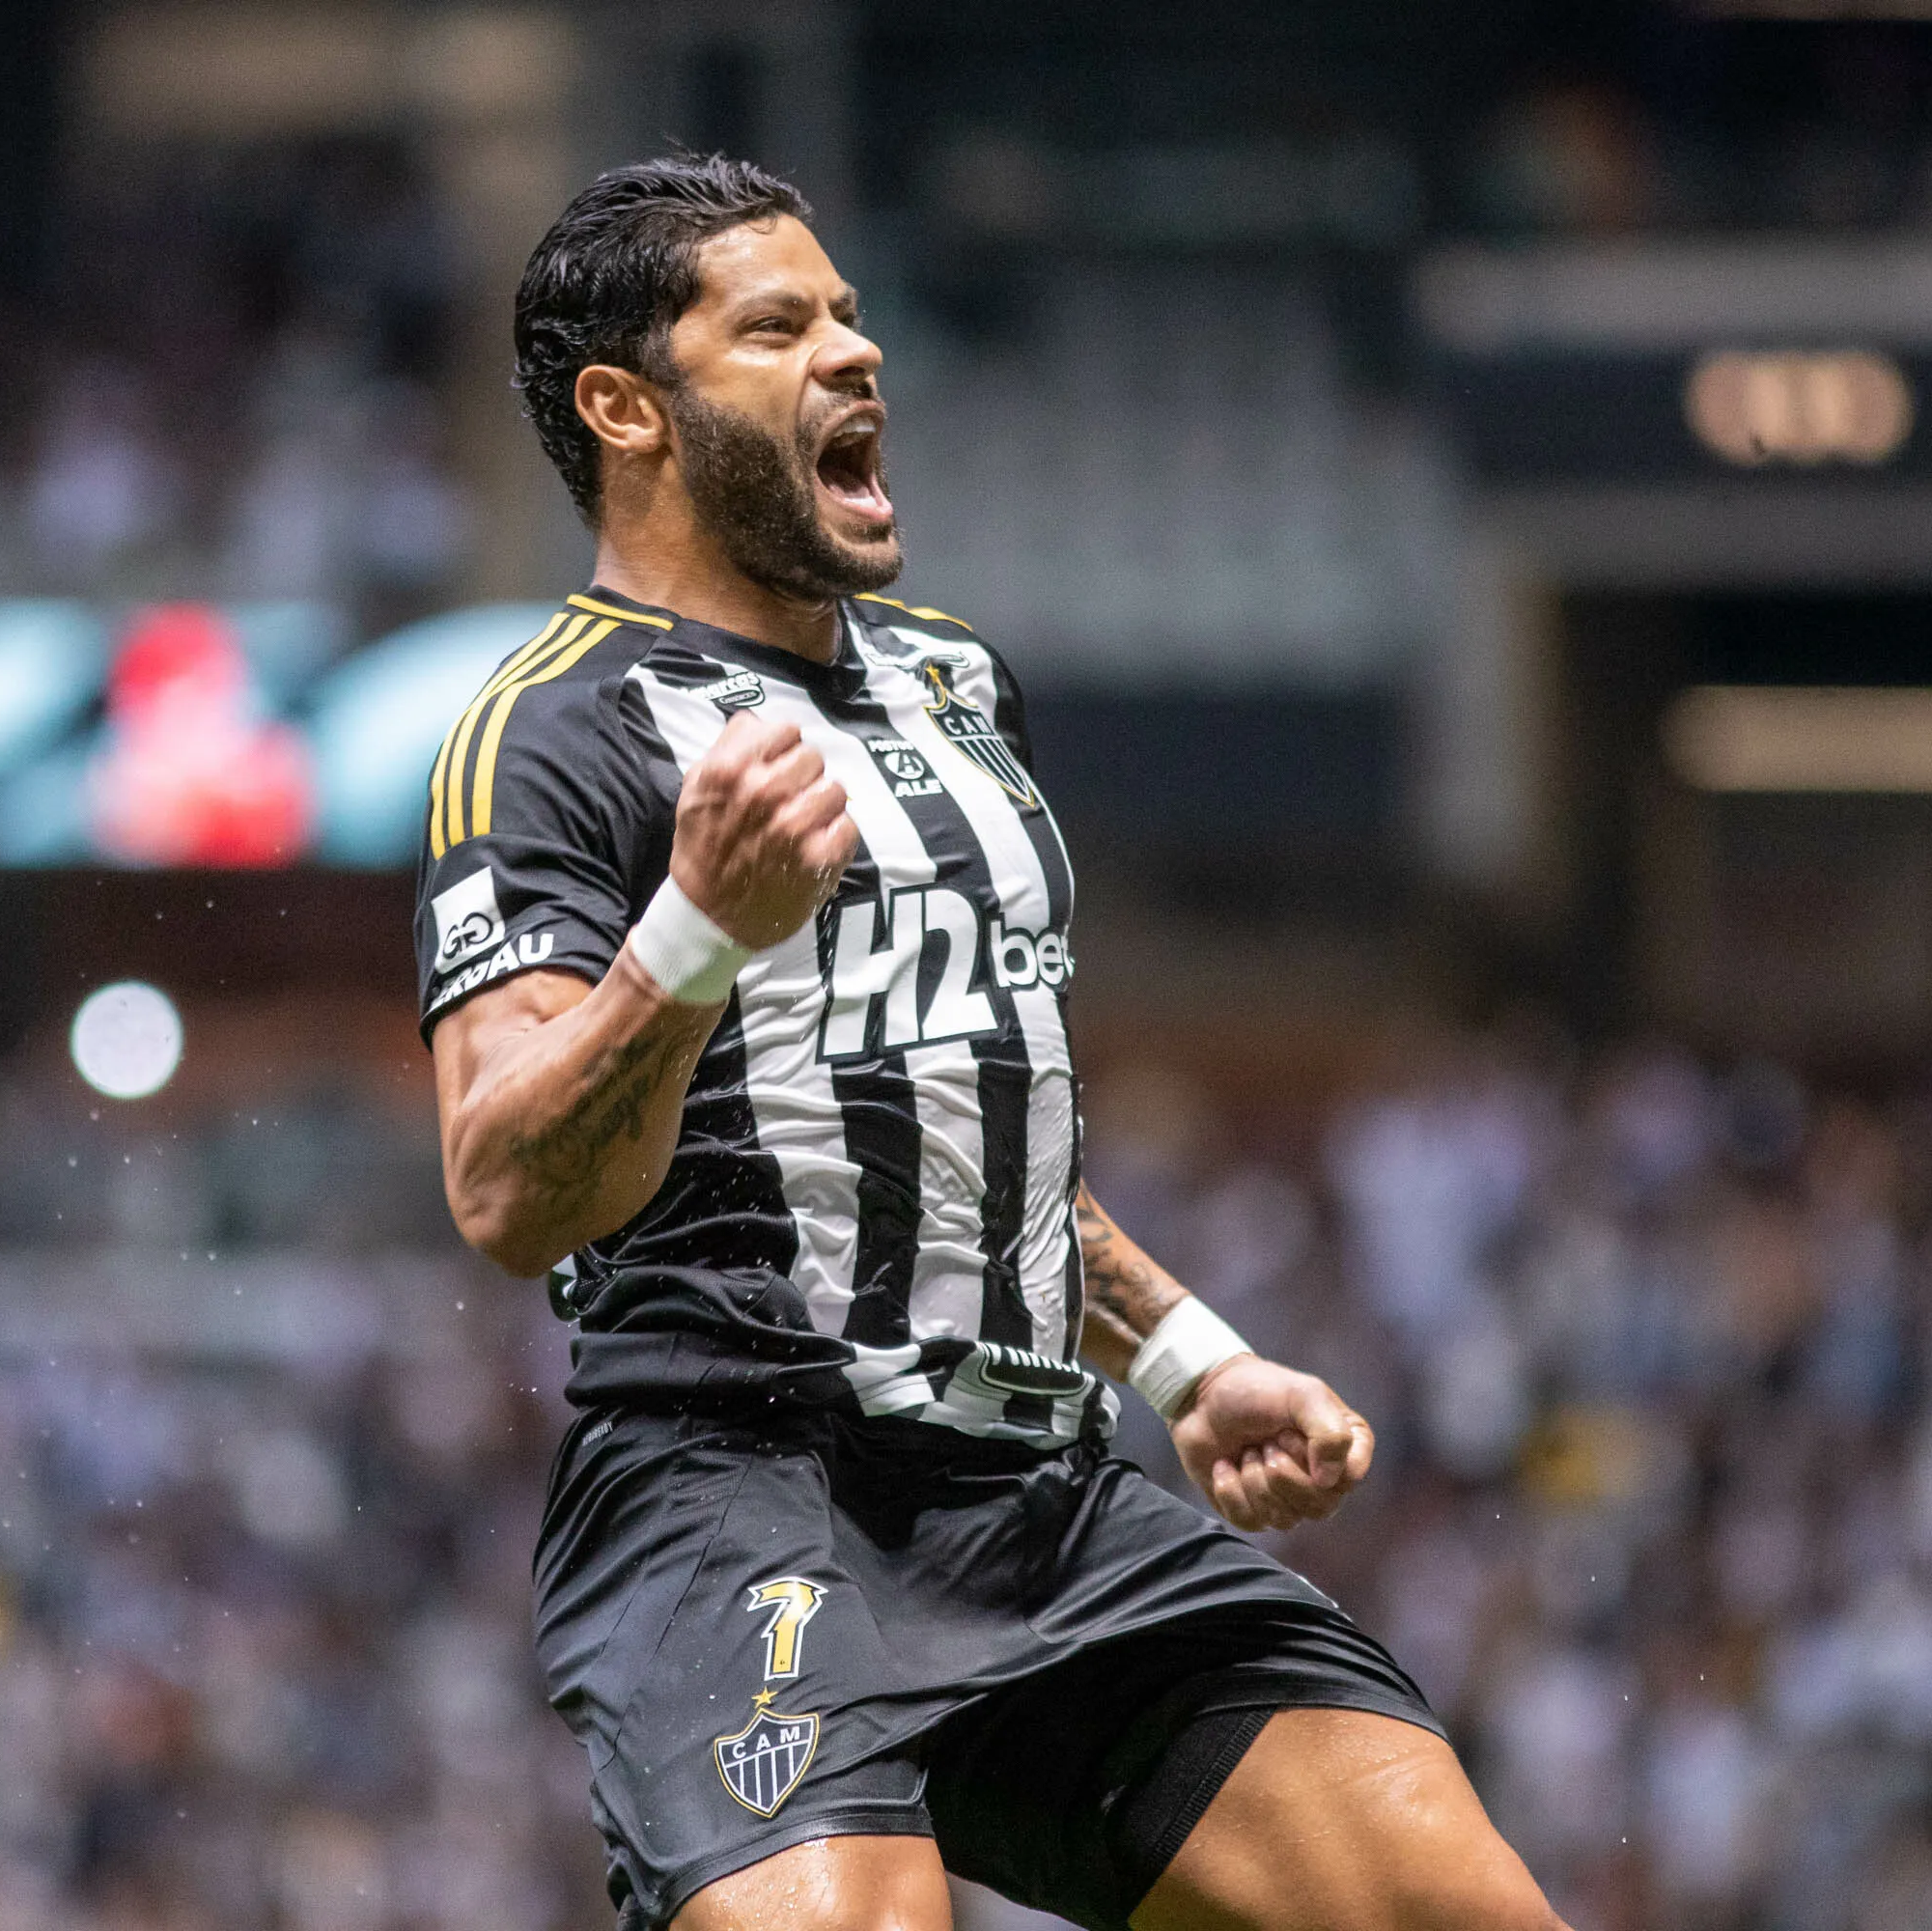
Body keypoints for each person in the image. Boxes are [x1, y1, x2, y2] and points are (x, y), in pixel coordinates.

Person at [417, 154, 1564, 1931]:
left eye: (853, 313)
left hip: (1042, 1500)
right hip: (738, 1496)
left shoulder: (957, 681)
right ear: (626, 409)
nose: (855, 355)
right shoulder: (549, 732)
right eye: (780, 326)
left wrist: (1187, 1361)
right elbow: (505, 1189)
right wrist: (695, 930)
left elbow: (961, 1119)